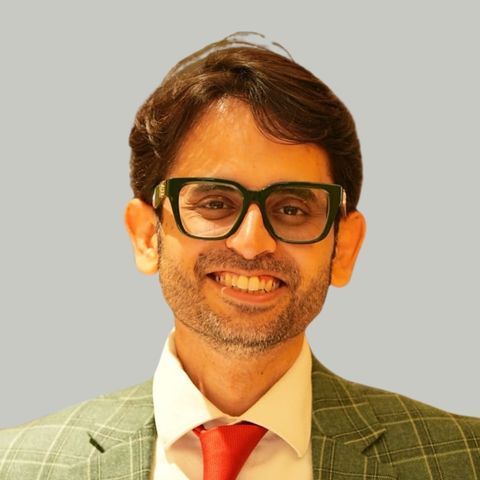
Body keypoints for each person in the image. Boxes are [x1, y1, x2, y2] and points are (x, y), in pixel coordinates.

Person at [0, 32, 478, 480]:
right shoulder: (17, 464)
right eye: (215, 203)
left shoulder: (464, 458)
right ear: (147, 235)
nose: (252, 242)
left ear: (344, 248)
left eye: (291, 209)